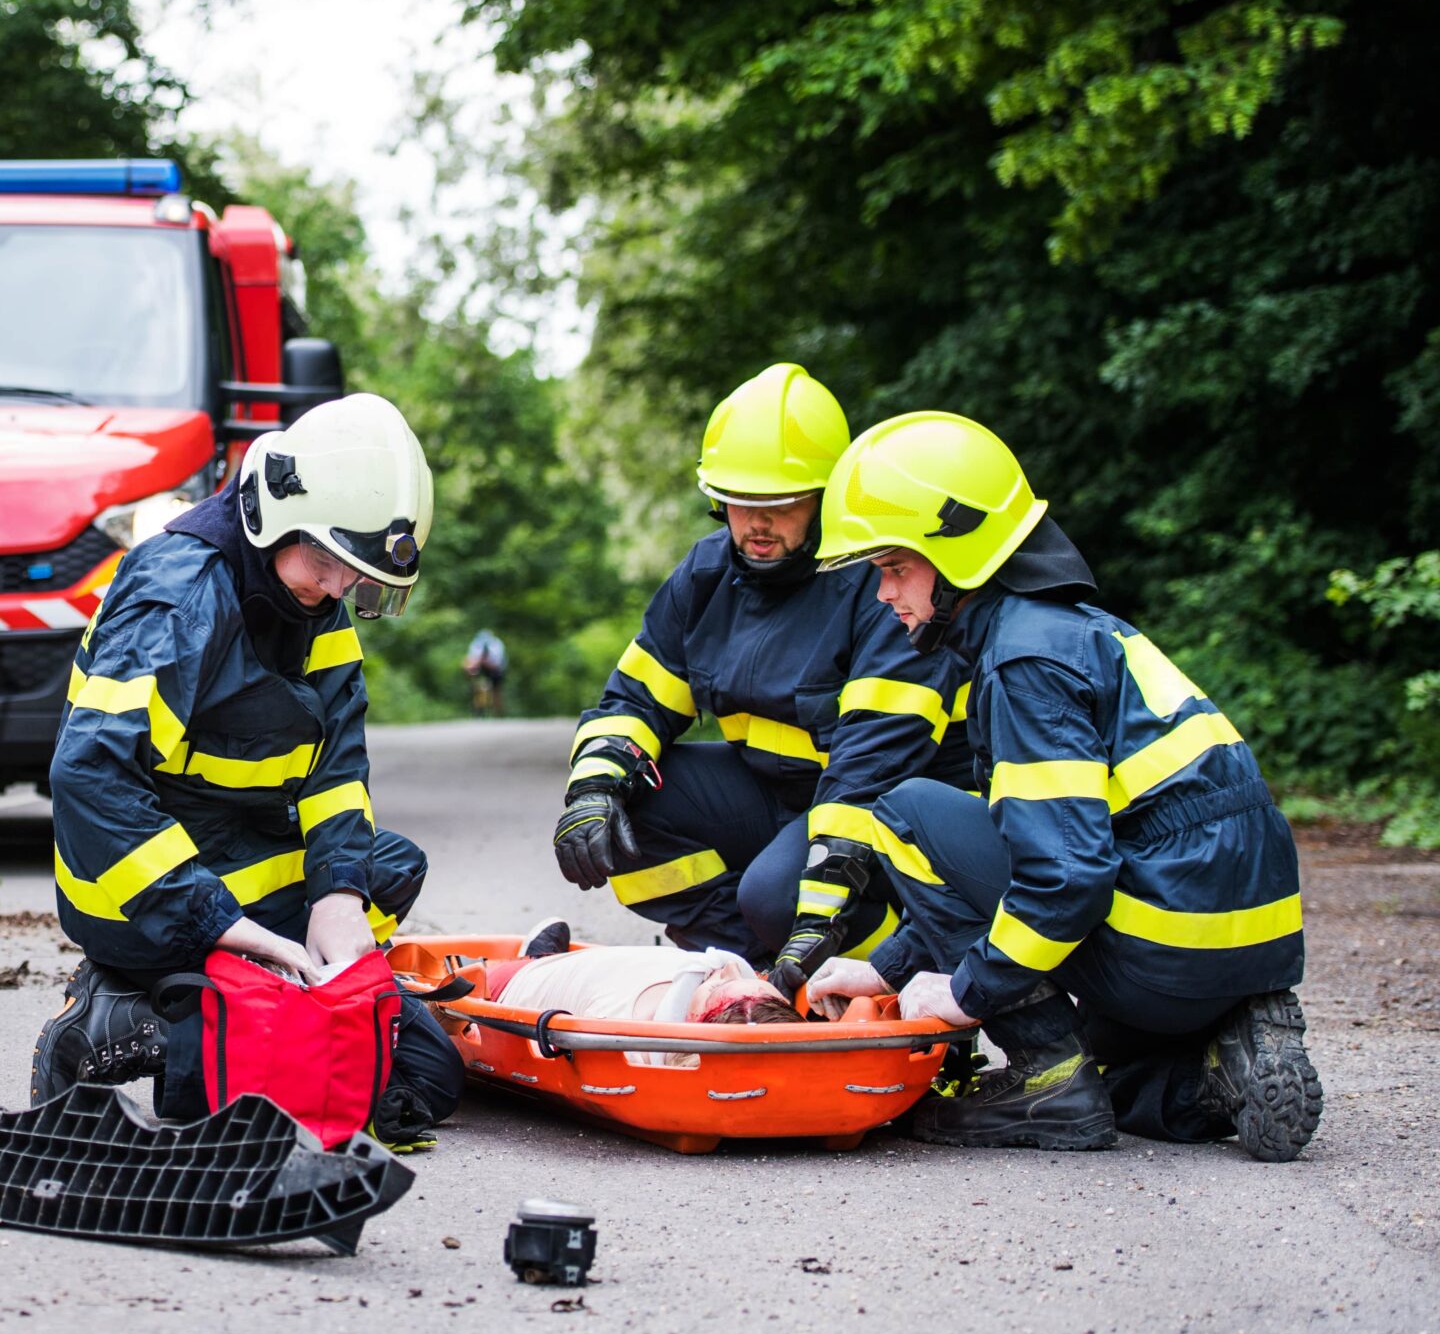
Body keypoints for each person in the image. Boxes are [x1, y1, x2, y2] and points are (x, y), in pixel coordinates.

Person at [804, 412, 1319, 1159]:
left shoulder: (1022, 661)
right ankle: (1220, 1062)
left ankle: (1048, 1083)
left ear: (958, 553)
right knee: (1112, 1068)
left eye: (893, 567)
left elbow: (1064, 875)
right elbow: (1015, 851)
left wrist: (966, 991)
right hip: (1251, 936)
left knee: (904, 813)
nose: (884, 593)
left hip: (1164, 934)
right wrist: (886, 967)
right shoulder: (1070, 628)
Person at [29, 393, 462, 1145]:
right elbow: (90, 776)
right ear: (274, 517)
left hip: (237, 857)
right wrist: (224, 926)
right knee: (230, 1097)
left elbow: (336, 771)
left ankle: (234, 999)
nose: (333, 591)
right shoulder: (180, 593)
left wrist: (337, 897)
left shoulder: (313, 597)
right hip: (135, 890)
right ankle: (119, 1016)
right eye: (325, 563)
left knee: (421, 1074)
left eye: (352, 576)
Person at [554, 364, 971, 989]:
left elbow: (875, 760)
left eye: (780, 505)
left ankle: (913, 977)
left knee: (783, 900)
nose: (755, 523)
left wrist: (823, 896)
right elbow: (635, 699)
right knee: (628, 812)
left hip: (886, 814)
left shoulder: (880, 580)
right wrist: (593, 787)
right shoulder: (707, 573)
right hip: (775, 796)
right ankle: (755, 976)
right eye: (738, 502)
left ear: (827, 498)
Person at [481, 920, 801, 1025]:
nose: (729, 966)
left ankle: (542, 955)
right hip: (513, 981)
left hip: (591, 974)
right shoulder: (620, 1015)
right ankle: (539, 956)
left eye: (719, 983)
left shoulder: (621, 1022)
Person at [464, 627, 507, 717]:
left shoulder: (497, 644)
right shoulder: (476, 644)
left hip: (495, 669)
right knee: (478, 688)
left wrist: (483, 661)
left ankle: (498, 713)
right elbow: (471, 660)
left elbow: (497, 664)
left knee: (496, 690)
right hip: (481, 668)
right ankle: (479, 711)